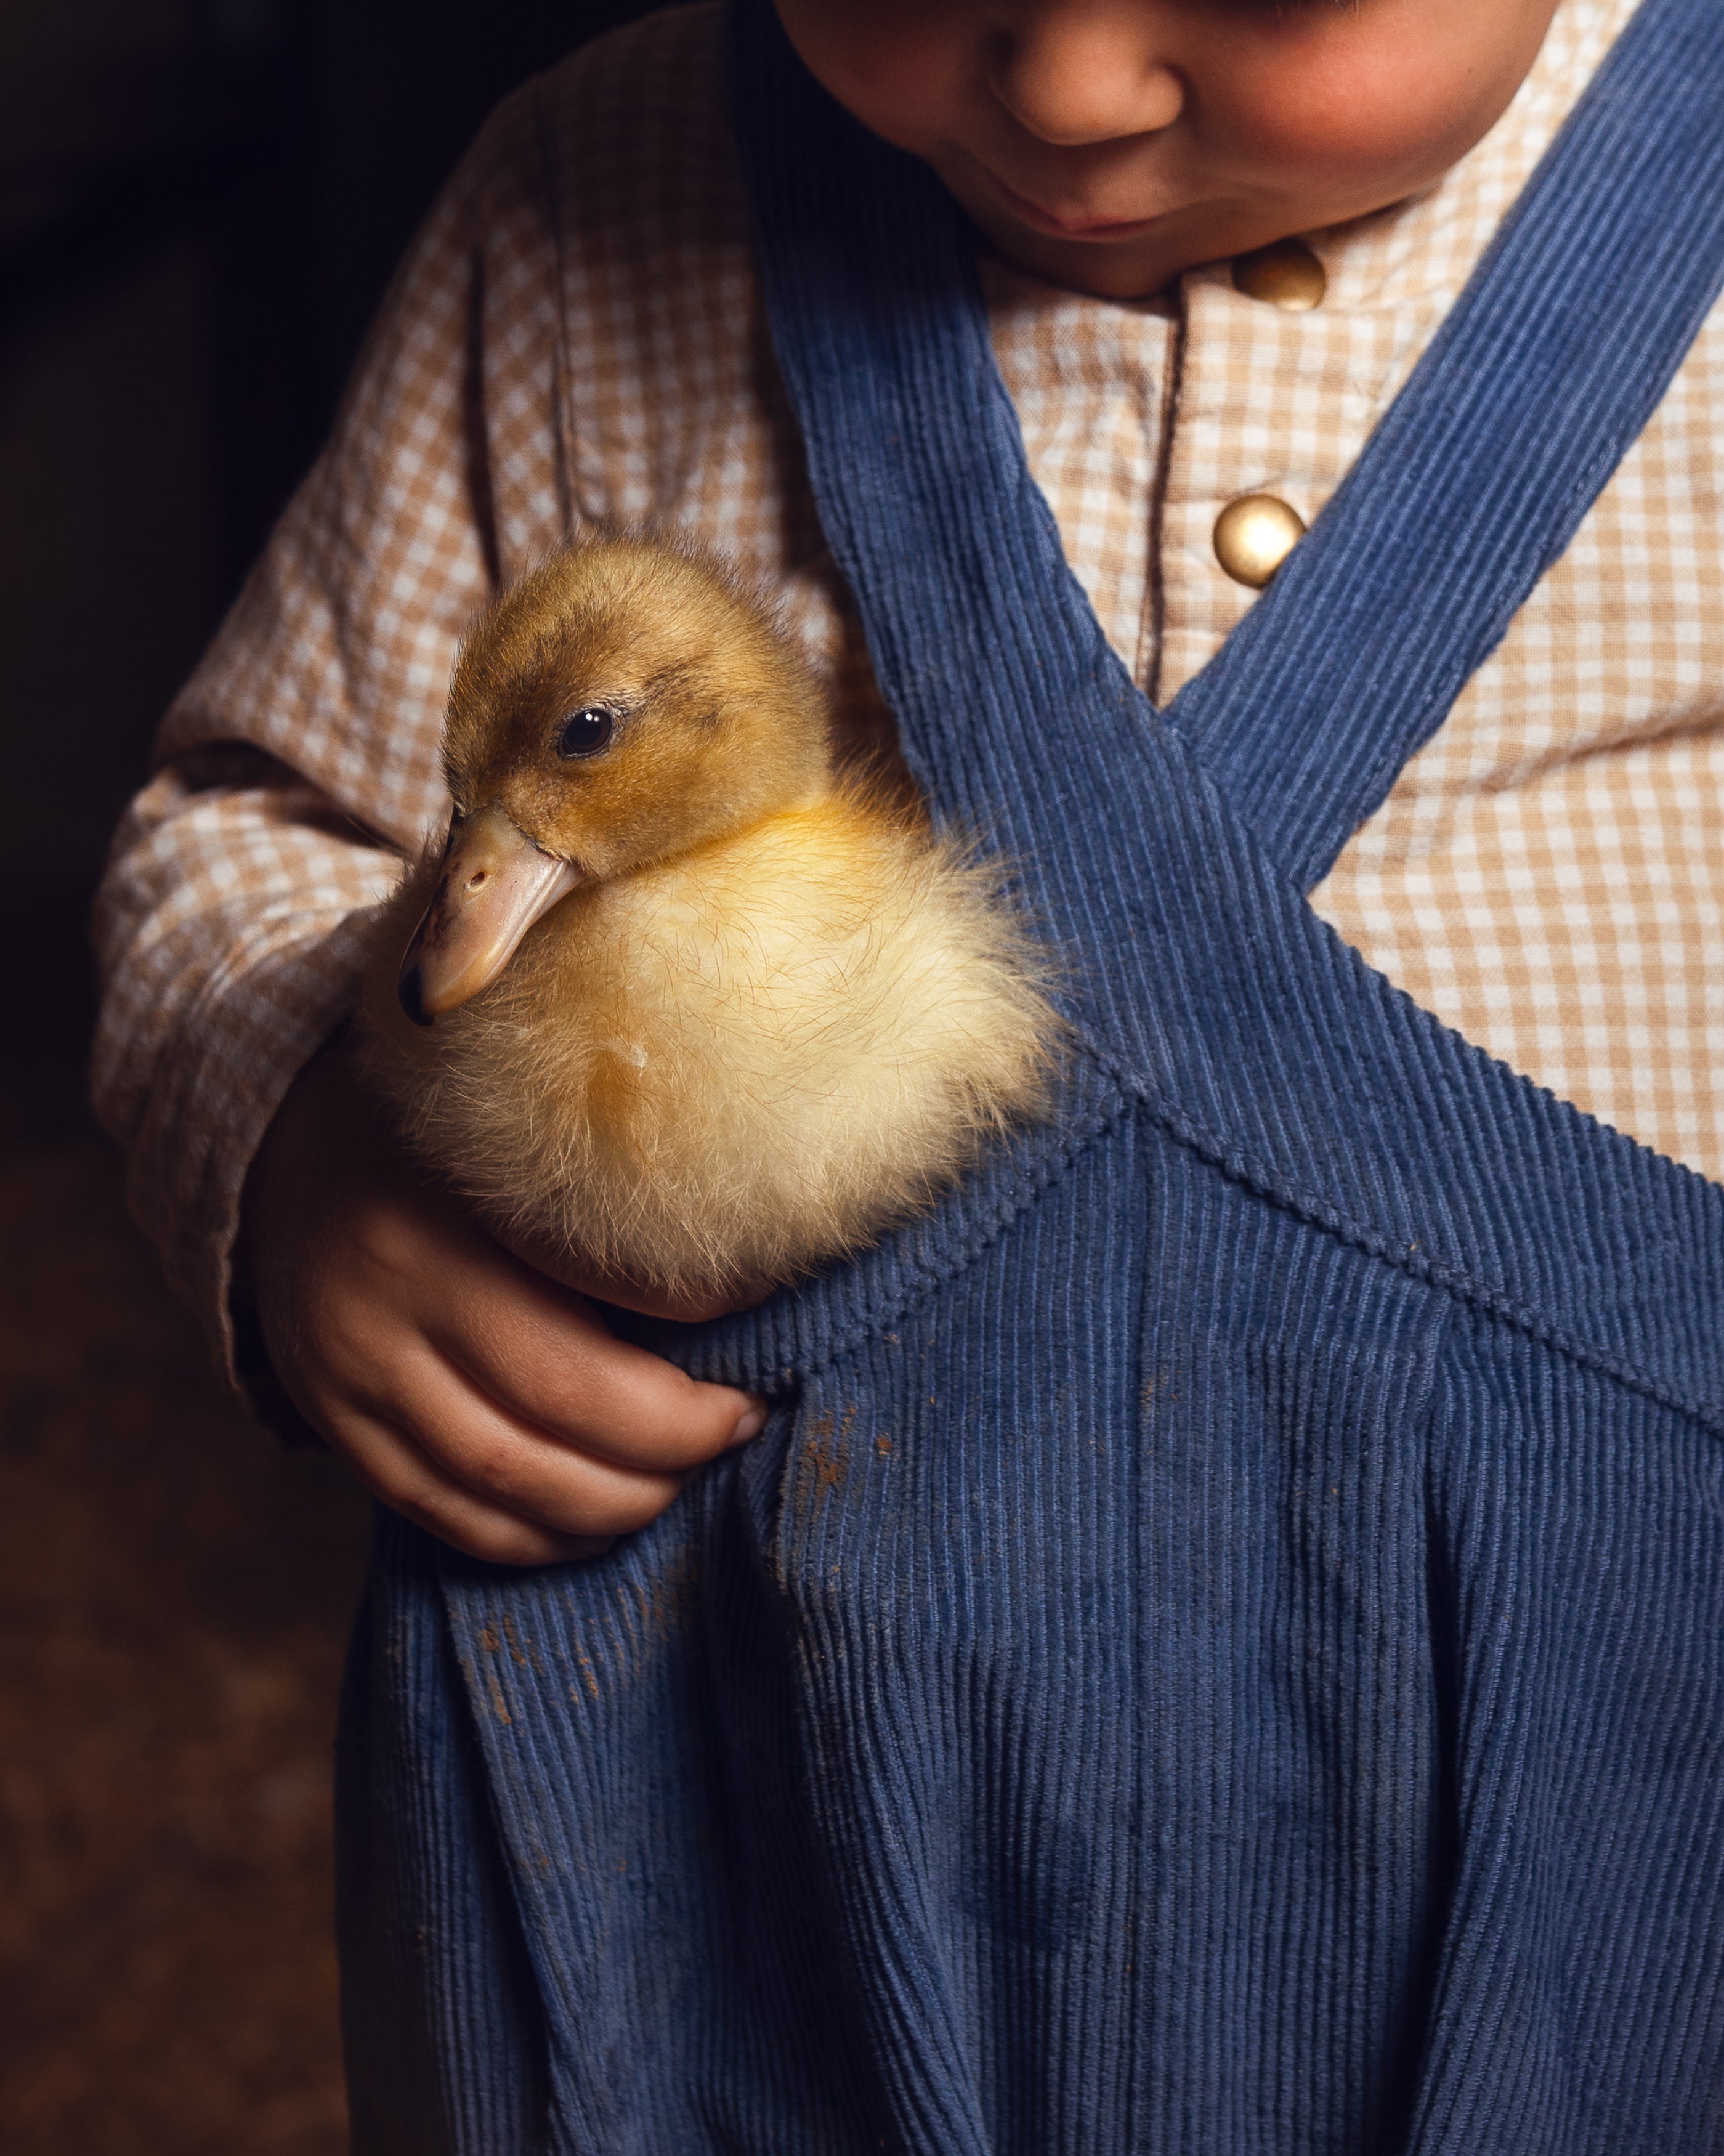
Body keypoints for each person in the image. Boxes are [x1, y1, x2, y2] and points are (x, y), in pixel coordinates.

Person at [94, 0, 1724, 2147]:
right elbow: (252, 823)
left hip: (1589, 1772)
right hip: (721, 1790)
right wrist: (300, 1146)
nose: (1064, 88)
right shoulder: (592, 199)